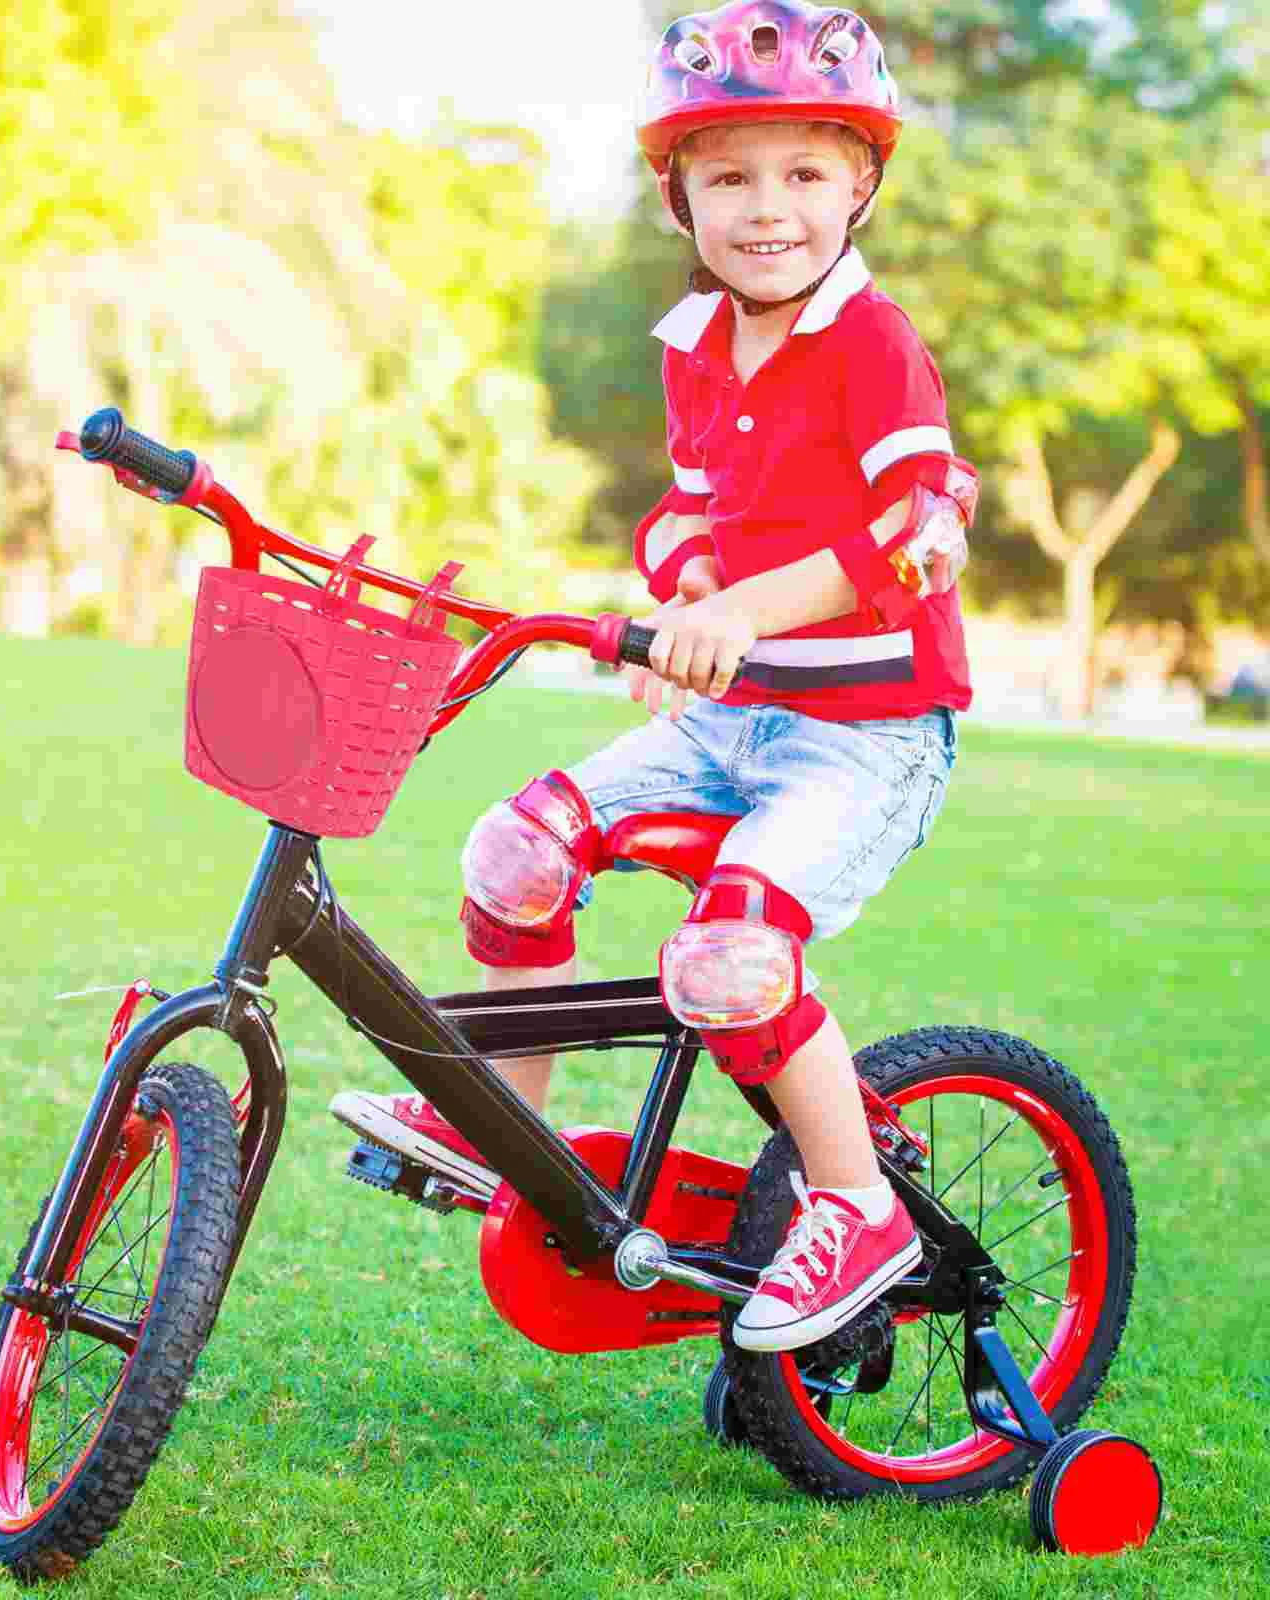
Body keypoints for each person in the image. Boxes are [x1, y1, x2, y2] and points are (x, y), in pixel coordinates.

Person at [331, 0, 976, 1354]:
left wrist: (740, 609)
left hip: (866, 734)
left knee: (732, 956)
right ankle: (504, 1117)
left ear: (860, 185)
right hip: (737, 716)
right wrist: (687, 597)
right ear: (679, 196)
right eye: (729, 177)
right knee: (517, 852)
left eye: (804, 173)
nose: (768, 207)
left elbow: (921, 534)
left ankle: (859, 1207)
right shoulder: (694, 347)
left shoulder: (872, 341)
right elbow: (692, 513)